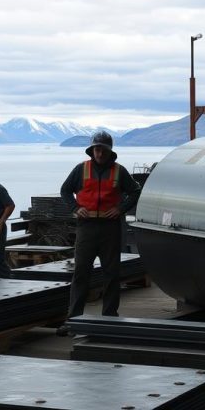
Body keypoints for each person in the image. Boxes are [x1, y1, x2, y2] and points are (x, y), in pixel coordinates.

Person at [56, 131, 140, 335]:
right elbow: (65, 190)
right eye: (97, 149)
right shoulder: (80, 169)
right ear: (92, 150)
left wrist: (120, 209)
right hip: (86, 228)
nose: (100, 153)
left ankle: (110, 318)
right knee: (80, 273)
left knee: (112, 273)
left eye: (103, 149)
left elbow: (136, 191)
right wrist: (75, 208)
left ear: (110, 151)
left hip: (110, 228)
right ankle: (74, 320)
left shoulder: (119, 171)